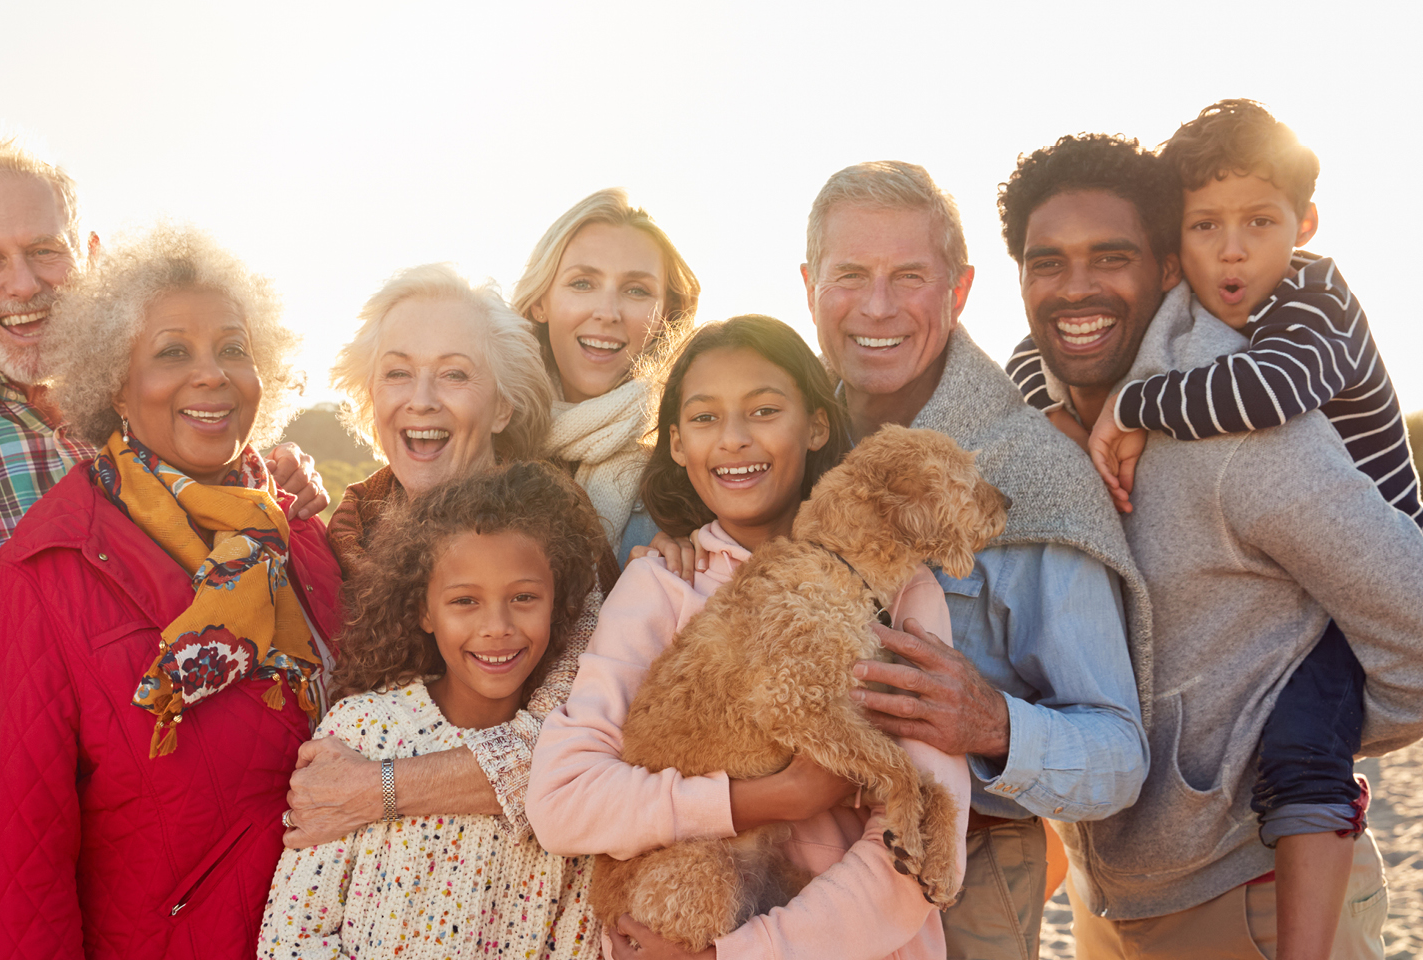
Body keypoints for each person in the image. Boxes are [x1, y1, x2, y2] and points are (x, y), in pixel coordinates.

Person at [0, 143, 328, 960]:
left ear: (89, 257)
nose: (22, 284)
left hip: (195, 880)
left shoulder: (173, 413)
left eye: (44, 251)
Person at [1003, 102, 1420, 960]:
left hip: (1249, 897)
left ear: (1165, 269)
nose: (1076, 287)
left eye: (1109, 258)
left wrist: (1259, 745)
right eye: (1049, 262)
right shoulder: (1037, 413)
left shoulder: (1248, 431)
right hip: (1114, 901)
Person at [528, 314, 971, 960]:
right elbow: (562, 799)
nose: (733, 439)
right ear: (677, 444)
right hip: (687, 912)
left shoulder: (897, 589)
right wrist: (756, 800)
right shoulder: (662, 587)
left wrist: (733, 956)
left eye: (764, 411)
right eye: (705, 418)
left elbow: (924, 843)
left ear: (816, 424)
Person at [799, 160, 1150, 960]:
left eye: (909, 277)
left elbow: (1118, 756)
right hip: (791, 858)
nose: (877, 306)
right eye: (850, 274)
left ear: (958, 291)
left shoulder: (1031, 472)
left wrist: (992, 724)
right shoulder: (784, 440)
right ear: (809, 284)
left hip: (969, 872)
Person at [0, 223, 345, 959]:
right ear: (116, 381)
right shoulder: (41, 578)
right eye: (173, 353)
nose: (213, 375)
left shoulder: (301, 543)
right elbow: (24, 874)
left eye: (233, 348)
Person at [259, 461, 609, 959]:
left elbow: (578, 937)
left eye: (524, 597)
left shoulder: (573, 756)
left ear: (558, 603)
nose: (497, 626)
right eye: (465, 601)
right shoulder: (362, 731)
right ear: (423, 609)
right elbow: (293, 935)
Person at [509, 188, 701, 567]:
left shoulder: (691, 465)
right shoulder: (487, 437)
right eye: (582, 283)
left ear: (667, 314)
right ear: (540, 301)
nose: (608, 312)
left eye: (636, 290)